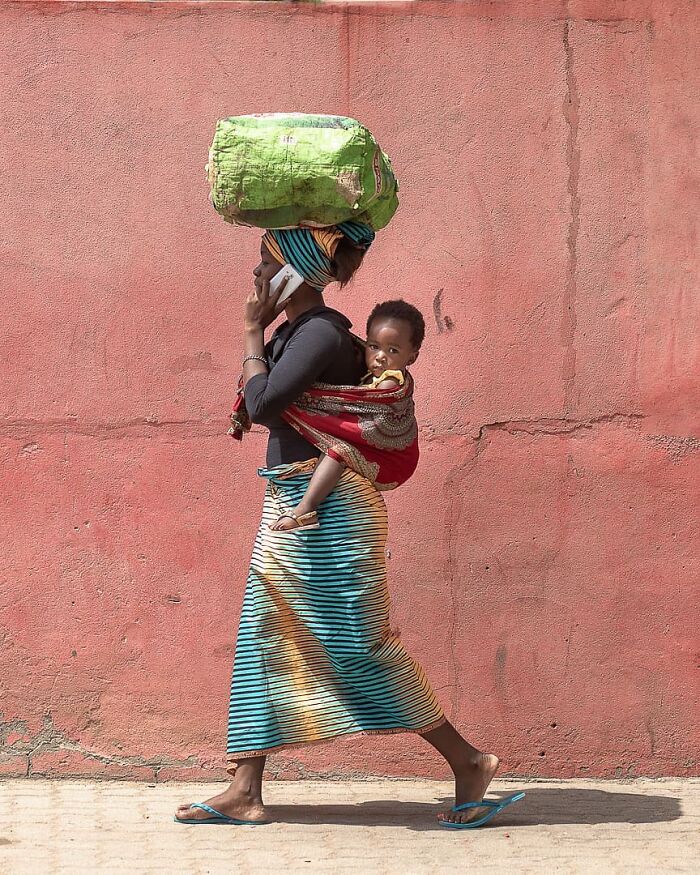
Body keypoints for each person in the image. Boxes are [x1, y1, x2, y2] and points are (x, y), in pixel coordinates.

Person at [174, 221, 509, 829]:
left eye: (264, 262)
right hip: (290, 498)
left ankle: (467, 761)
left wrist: (250, 330)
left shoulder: (322, 334)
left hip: (327, 513)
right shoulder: (298, 333)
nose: (254, 276)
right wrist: (261, 337)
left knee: (358, 643)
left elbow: (263, 404)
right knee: (261, 637)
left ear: (294, 272)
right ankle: (245, 786)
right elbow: (261, 398)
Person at [269, 299, 425, 532]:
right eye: (374, 346)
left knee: (338, 450)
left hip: (390, 460)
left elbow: (366, 413)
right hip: (379, 459)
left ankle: (306, 509)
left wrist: (306, 399)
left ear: (411, 358)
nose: (380, 356)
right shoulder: (370, 375)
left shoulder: (390, 383)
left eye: (392, 350)